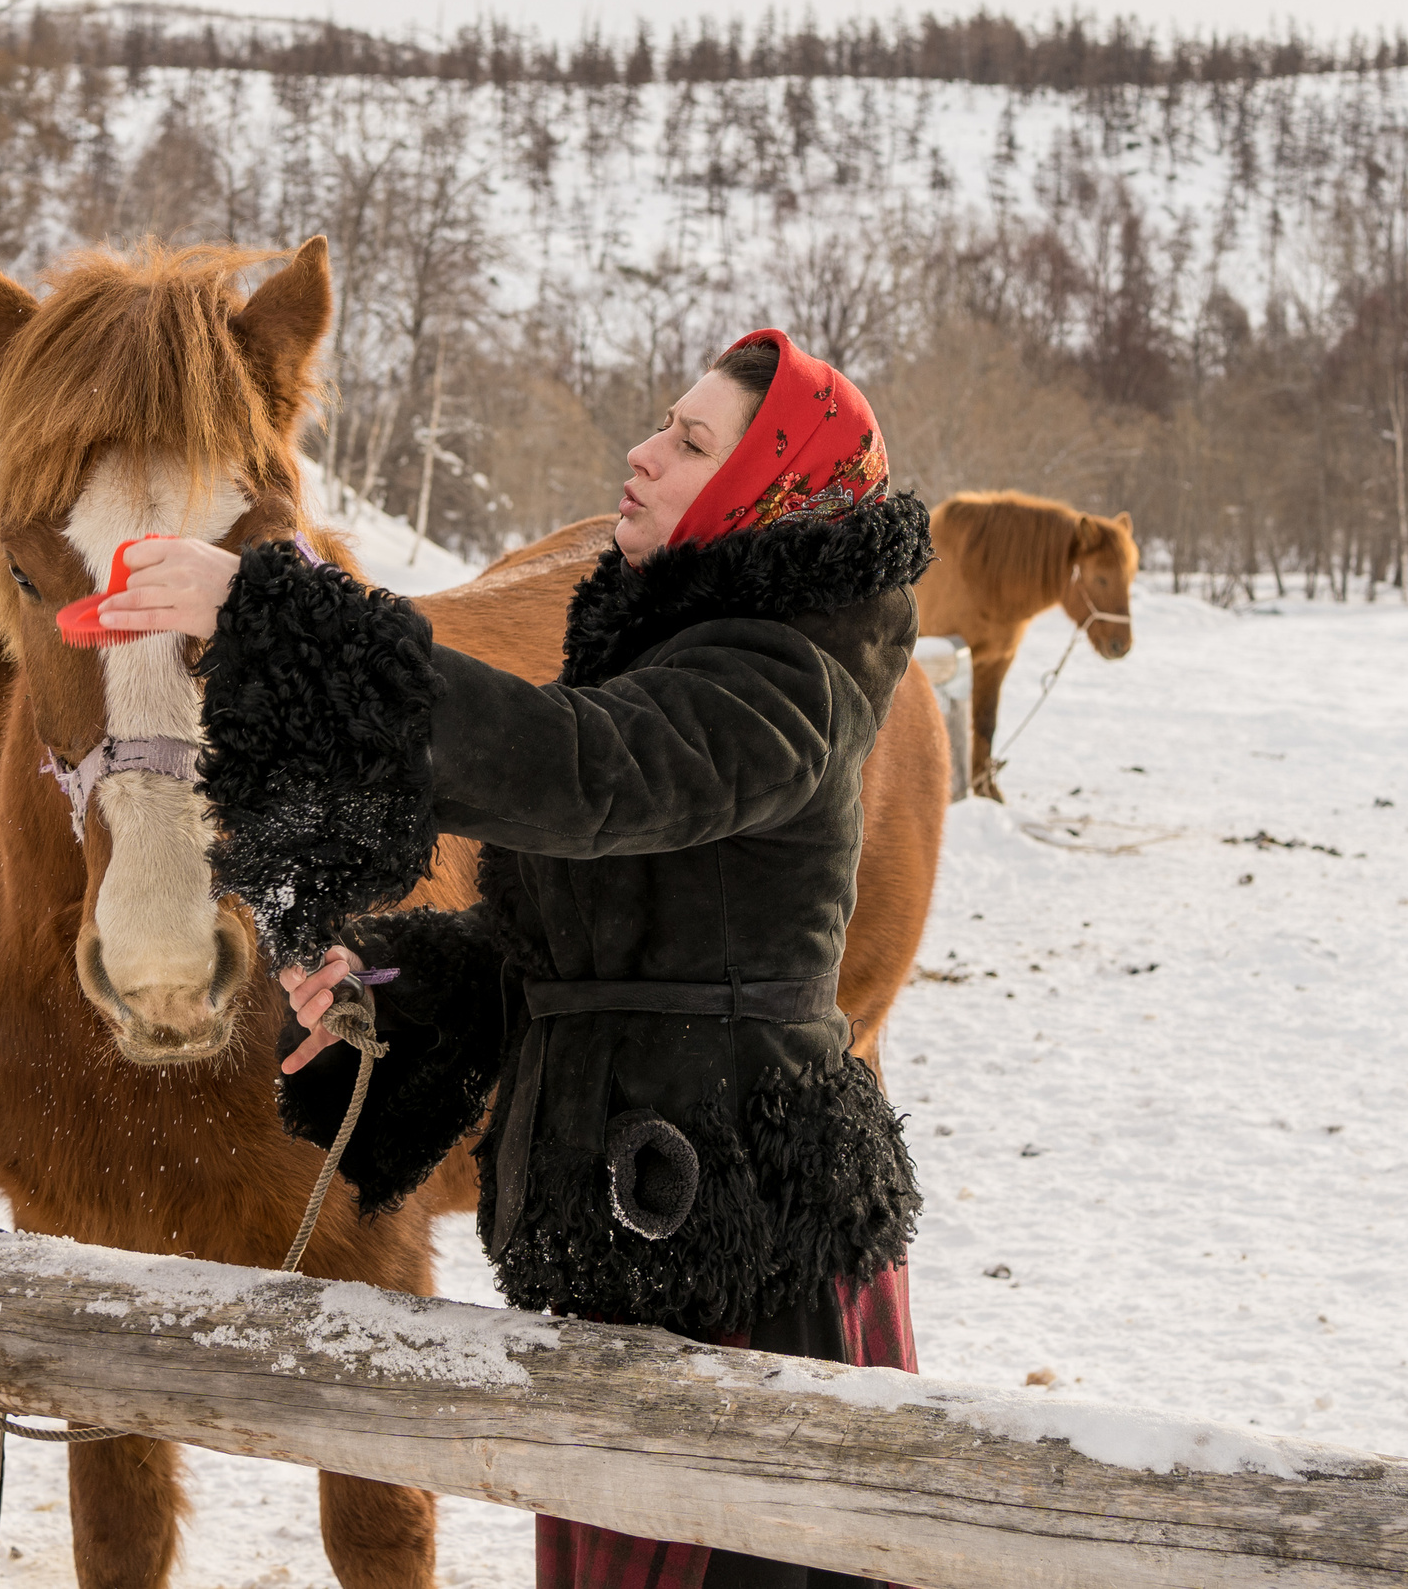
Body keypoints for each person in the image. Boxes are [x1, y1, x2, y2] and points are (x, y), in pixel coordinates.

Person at [98, 329, 930, 1589]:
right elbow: (569, 954)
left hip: (751, 1259)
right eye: (662, 424)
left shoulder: (791, 673)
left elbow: (583, 774)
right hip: (629, 1235)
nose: (643, 454)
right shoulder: (666, 652)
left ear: (774, 487)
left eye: (693, 442)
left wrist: (277, 613)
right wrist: (394, 988)